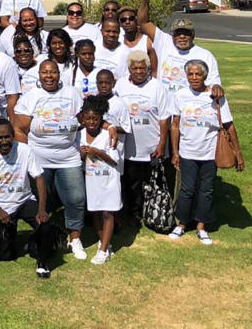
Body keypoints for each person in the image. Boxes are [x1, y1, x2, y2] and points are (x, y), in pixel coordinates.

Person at [14, 59, 107, 260]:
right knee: (42, 201)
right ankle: (46, 237)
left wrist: (109, 127)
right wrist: (26, 157)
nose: (49, 76)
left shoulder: (72, 94)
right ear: (39, 75)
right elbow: (20, 129)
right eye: (44, 72)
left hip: (69, 156)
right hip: (39, 158)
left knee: (77, 198)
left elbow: (87, 118)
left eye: (53, 72)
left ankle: (75, 238)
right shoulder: (31, 97)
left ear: (59, 74)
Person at [168, 59, 243, 245]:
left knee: (206, 190)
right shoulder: (180, 95)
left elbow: (229, 126)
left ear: (205, 76)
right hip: (187, 152)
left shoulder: (215, 96)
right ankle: (182, 224)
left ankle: (201, 227)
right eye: (191, 74)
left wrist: (238, 154)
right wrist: (175, 152)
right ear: (186, 76)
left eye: (198, 74)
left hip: (210, 153)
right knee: (187, 190)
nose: (194, 77)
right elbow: (175, 125)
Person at [0, 118, 51, 277]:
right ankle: (12, 237)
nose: (4, 141)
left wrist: (41, 209)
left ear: (12, 136)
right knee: (5, 256)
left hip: (24, 200)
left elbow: (39, 178)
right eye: (0, 138)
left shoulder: (25, 150)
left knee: (45, 225)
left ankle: (42, 261)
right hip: (1, 206)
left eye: (7, 137)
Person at [114, 50, 170, 222]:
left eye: (142, 68)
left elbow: (164, 118)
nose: (138, 72)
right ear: (129, 69)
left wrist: (162, 144)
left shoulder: (158, 87)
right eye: (134, 68)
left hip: (151, 145)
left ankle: (153, 211)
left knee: (152, 183)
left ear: (148, 68)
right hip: (129, 146)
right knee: (132, 183)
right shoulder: (120, 85)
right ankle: (133, 213)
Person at [139, 0, 224, 97]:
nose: (182, 36)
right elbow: (143, 22)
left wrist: (217, 87)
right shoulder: (164, 42)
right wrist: (145, 0)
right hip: (164, 103)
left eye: (186, 33)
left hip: (188, 105)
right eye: (178, 33)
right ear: (172, 35)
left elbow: (214, 82)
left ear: (193, 35)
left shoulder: (205, 55)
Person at [78, 95, 122, 265]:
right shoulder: (80, 134)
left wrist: (97, 152)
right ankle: (105, 242)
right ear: (82, 118)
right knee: (95, 212)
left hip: (109, 180)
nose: (91, 122)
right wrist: (83, 154)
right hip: (91, 181)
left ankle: (103, 251)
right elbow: (80, 160)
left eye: (95, 119)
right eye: (88, 118)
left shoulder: (108, 135)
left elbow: (114, 160)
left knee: (107, 213)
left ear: (101, 119)